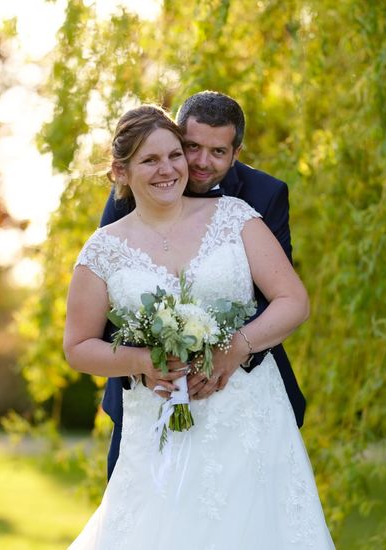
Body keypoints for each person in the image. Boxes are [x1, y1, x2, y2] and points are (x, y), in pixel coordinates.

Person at [64, 105, 333, 548]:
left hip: (247, 415)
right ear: (121, 171)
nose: (169, 169)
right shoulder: (104, 248)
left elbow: (294, 301)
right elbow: (77, 346)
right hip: (158, 416)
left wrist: (237, 346)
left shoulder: (235, 217)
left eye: (174, 155)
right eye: (150, 160)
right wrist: (144, 361)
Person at [99, 91, 306, 479]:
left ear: (236, 152)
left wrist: (230, 350)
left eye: (217, 152)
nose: (199, 162)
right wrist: (146, 362)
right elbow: (113, 288)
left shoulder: (262, 196)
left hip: (241, 391)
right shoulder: (134, 189)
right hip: (150, 396)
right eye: (190, 146)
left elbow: (273, 295)